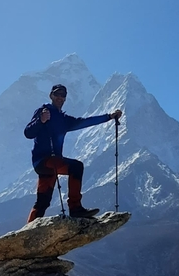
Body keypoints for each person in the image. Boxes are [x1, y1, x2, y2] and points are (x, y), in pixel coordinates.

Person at [24, 84, 123, 222]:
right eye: (57, 94)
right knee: (76, 167)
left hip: (50, 165)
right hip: (44, 161)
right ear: (51, 96)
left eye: (62, 95)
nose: (60, 97)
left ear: (65, 98)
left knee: (43, 201)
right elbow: (28, 132)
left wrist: (109, 117)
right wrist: (41, 120)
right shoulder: (44, 111)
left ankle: (29, 231)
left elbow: (84, 122)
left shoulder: (64, 120)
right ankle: (75, 208)